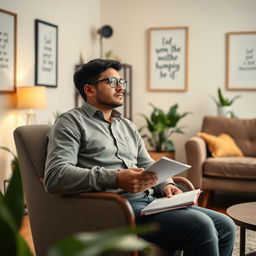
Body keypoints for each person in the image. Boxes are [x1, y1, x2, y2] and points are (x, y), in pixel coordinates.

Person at [44, 59, 236, 256]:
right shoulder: (70, 123)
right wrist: (116, 178)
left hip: (152, 203)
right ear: (90, 90)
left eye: (122, 82)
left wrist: (166, 185)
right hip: (116, 209)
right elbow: (55, 176)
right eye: (111, 82)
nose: (121, 87)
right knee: (201, 225)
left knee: (226, 225)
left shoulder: (126, 125)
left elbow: (147, 163)